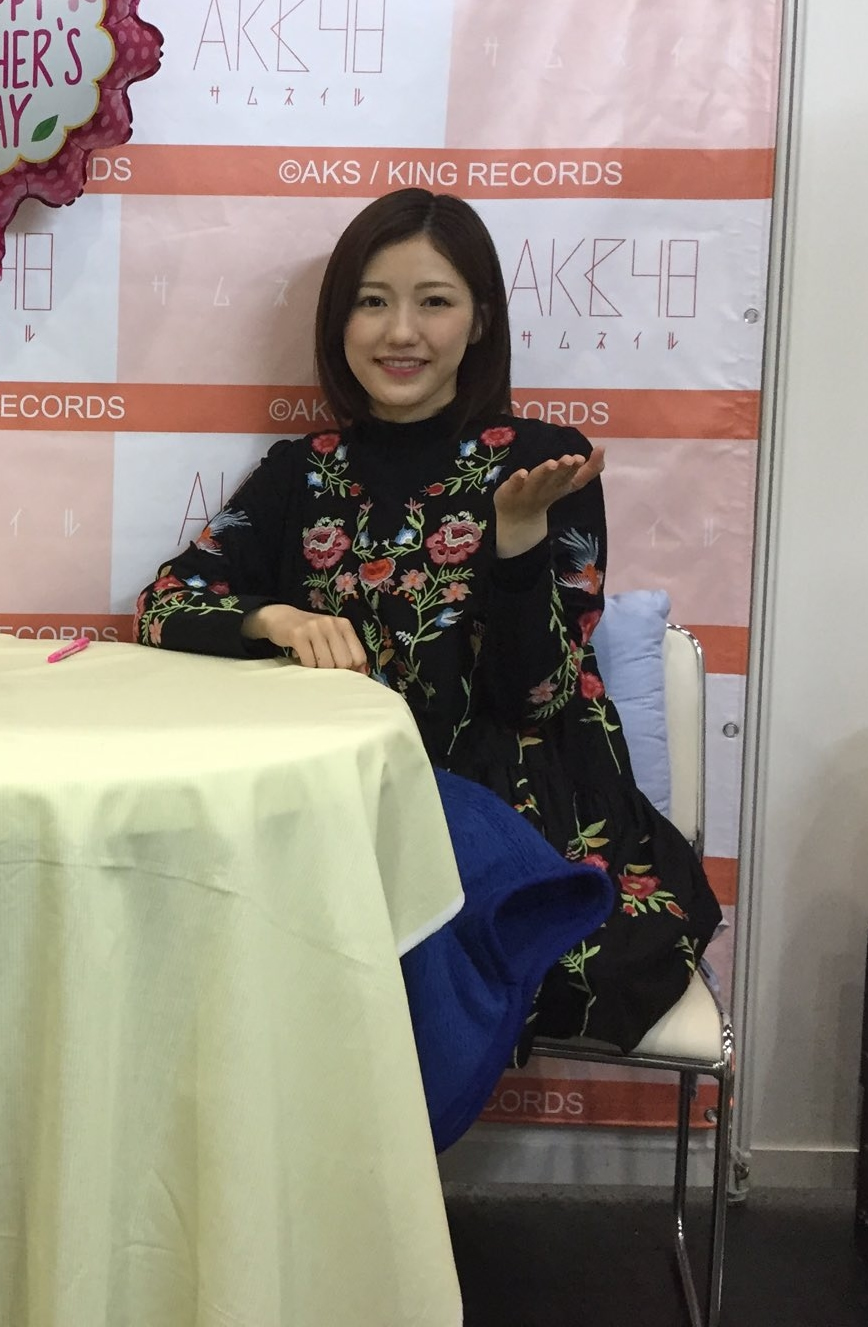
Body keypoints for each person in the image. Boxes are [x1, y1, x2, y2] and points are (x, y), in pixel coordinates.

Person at [135, 188, 721, 1059]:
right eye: (372, 301)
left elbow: (537, 694)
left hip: (512, 807)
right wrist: (273, 618)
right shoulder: (301, 473)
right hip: (345, 803)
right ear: (340, 321)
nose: (400, 331)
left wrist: (515, 543)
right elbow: (165, 604)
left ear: (479, 319)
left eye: (434, 301)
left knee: (413, 960)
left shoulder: (543, 461)